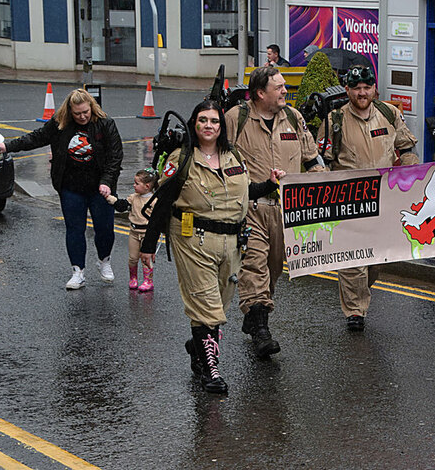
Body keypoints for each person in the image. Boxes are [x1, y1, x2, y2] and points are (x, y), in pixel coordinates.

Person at [140, 100, 285, 394]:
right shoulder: (181, 158)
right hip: (192, 239)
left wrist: (269, 184)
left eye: (215, 121)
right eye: (203, 120)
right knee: (206, 306)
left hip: (231, 243)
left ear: (222, 127)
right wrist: (148, 245)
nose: (209, 125)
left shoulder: (233, 156)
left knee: (219, 304)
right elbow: (163, 202)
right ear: (195, 124)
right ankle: (211, 370)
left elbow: (247, 190)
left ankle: (198, 344)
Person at [225, 66, 324, 357]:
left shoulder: (294, 118)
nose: (285, 91)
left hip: (285, 211)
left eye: (284, 86)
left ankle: (253, 317)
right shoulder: (236, 119)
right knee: (254, 266)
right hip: (251, 208)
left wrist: (322, 181)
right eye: (278, 87)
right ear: (259, 93)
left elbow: (311, 157)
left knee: (273, 269)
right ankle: (261, 333)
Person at [317, 65, 420, 331]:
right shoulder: (334, 120)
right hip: (348, 200)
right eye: (356, 88)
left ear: (374, 88)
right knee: (352, 258)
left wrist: (409, 177)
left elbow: (406, 147)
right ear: (348, 90)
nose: (362, 93)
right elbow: (321, 162)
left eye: (367, 88)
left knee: (375, 261)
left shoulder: (389, 113)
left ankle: (357, 293)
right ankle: (355, 312)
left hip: (384, 199)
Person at [0, 88, 123, 290]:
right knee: (74, 229)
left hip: (100, 187)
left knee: (105, 229)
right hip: (70, 186)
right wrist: (8, 146)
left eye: (85, 112)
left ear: (91, 107)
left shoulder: (105, 123)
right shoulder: (59, 124)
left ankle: (104, 260)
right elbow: (35, 138)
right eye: (77, 113)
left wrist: (106, 181)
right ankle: (77, 272)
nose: (82, 117)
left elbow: (115, 156)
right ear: (69, 111)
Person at [106, 168, 158, 292]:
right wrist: (112, 199)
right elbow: (123, 206)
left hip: (147, 233)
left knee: (146, 258)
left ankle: (148, 281)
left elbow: (158, 219)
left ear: (147, 186)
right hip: (134, 232)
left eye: (136, 183)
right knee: (133, 258)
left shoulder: (155, 201)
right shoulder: (133, 197)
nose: (134, 186)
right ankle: (133, 278)